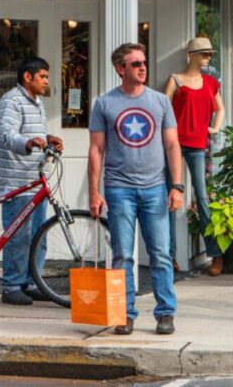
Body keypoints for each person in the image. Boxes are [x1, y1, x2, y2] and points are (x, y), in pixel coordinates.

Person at [89, 43, 183, 336]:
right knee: (122, 255)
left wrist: (176, 186)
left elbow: (172, 145)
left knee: (160, 253)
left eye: (144, 62)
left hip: (155, 188)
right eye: (135, 64)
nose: (142, 67)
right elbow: (96, 149)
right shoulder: (105, 104)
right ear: (120, 69)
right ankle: (124, 313)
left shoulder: (160, 102)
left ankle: (165, 313)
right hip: (119, 189)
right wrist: (94, 191)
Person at [0, 56, 64, 306]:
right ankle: (12, 286)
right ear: (27, 77)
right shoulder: (11, 100)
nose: (46, 81)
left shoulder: (37, 102)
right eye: (43, 76)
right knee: (19, 236)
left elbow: (36, 132)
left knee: (37, 234)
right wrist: (28, 143)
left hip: (35, 179)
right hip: (15, 180)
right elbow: (7, 134)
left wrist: (47, 137)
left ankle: (32, 283)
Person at [162, 36, 225, 276]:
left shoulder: (210, 82)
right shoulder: (175, 80)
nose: (208, 57)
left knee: (202, 198)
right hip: (174, 146)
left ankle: (215, 254)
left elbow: (220, 108)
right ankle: (169, 255)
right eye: (204, 53)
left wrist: (214, 128)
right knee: (171, 198)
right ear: (192, 55)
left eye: (209, 54)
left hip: (198, 145)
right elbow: (162, 110)